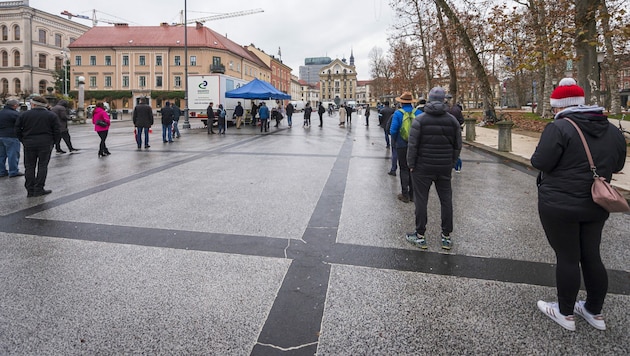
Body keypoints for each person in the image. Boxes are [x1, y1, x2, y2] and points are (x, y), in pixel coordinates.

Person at [531, 78, 626, 331]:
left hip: (559, 204)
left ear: (559, 107)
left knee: (568, 257)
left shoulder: (559, 128)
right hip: (597, 203)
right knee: (592, 255)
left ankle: (564, 313)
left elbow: (540, 162)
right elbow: (617, 166)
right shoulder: (612, 129)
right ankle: (594, 311)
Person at [405, 87, 462, 250]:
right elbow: (457, 146)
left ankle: (420, 235)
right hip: (444, 167)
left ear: (429, 100)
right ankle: (446, 236)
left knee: (421, 200)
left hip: (422, 167)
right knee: (446, 200)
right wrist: (451, 162)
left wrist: (411, 164)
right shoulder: (452, 121)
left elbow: (413, 145)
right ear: (444, 100)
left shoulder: (420, 120)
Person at [14, 96, 60, 197]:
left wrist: (23, 140)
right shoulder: (51, 115)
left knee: (29, 166)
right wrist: (54, 142)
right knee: (42, 166)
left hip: (29, 143)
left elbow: (17, 129)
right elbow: (57, 131)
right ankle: (39, 188)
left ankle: (30, 190)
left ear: (33, 104)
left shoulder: (24, 115)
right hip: (45, 143)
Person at [389, 92, 418, 203]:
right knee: (413, 168)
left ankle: (405, 194)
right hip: (415, 145)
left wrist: (396, 141)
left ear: (401, 102)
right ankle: (413, 195)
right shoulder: (418, 112)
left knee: (404, 168)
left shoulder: (398, 113)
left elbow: (393, 130)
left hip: (402, 145)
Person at [0, 99, 23, 178]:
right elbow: (20, 125)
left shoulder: (1, 112)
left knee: (1, 155)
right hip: (11, 136)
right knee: (12, 154)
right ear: (15, 105)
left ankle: (1, 171)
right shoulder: (15, 114)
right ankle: (13, 171)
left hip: (1, 135)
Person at [446, 94, 464, 172]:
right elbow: (462, 120)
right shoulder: (457, 109)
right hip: (456, 130)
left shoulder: (444, 109)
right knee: (456, 148)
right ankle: (457, 167)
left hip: (446, 131)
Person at [379, 101, 396, 175]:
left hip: (384, 124)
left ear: (384, 104)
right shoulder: (392, 110)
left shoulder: (382, 110)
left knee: (386, 134)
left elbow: (380, 117)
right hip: (391, 124)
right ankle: (391, 141)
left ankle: (388, 144)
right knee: (391, 134)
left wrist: (380, 123)